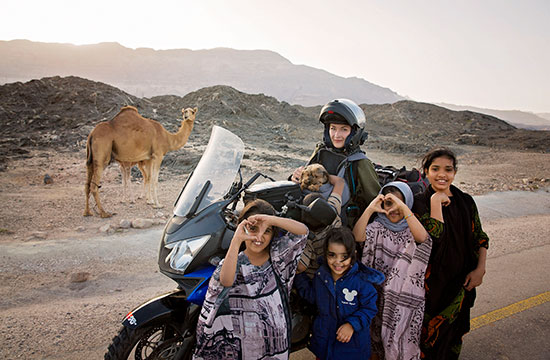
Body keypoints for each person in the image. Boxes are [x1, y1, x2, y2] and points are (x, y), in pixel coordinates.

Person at [193, 199, 309, 360]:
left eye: (267, 231)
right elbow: (226, 281)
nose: (259, 236)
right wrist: (237, 239)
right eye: (253, 229)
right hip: (243, 345)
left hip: (275, 344)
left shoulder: (279, 256)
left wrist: (270, 219)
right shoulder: (235, 260)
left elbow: (302, 231)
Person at [412, 147, 489, 360]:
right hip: (429, 289)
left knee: (453, 338)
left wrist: (480, 269)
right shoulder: (418, 203)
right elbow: (432, 240)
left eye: (448, 169)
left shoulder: (466, 201)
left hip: (461, 285)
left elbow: (480, 238)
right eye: (435, 169)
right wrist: (436, 201)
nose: (442, 175)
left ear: (454, 172)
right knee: (426, 341)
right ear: (426, 171)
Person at [353, 181, 431, 360]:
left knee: (398, 339)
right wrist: (371, 208)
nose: (394, 209)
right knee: (375, 336)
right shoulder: (377, 227)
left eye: (400, 203)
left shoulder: (411, 229)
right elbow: (357, 236)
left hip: (400, 297)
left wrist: (402, 207)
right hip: (377, 293)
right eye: (389, 203)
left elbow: (423, 239)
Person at [294, 227, 384, 360]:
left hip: (352, 347)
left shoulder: (361, 281)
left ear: (353, 255)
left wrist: (351, 325)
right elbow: (313, 296)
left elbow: (369, 308)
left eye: (344, 256)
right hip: (324, 343)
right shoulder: (321, 275)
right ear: (325, 254)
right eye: (332, 255)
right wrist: (298, 274)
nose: (338, 262)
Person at [291, 98, 381, 227]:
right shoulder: (320, 151)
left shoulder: (361, 163)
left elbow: (374, 201)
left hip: (341, 226)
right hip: (311, 215)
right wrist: (296, 177)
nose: (336, 135)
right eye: (333, 128)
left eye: (344, 129)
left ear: (354, 133)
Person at [297, 174, 345, 278]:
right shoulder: (334, 210)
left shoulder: (308, 239)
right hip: (337, 268)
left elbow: (301, 267)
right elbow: (340, 182)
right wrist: (324, 175)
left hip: (316, 276)